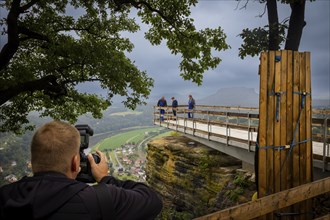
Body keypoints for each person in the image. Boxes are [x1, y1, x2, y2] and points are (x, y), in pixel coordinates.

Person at [0, 120, 162, 220]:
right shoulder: (100, 200)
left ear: (32, 161)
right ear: (75, 162)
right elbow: (153, 201)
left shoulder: (5, 196)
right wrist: (106, 179)